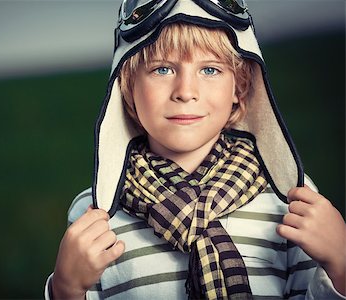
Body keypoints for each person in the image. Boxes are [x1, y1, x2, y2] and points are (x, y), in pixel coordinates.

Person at [45, 0, 346, 299]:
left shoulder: (290, 195)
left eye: (210, 70)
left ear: (239, 88)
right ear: (127, 86)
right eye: (162, 69)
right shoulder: (98, 210)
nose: (186, 92)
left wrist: (342, 267)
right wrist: (66, 288)